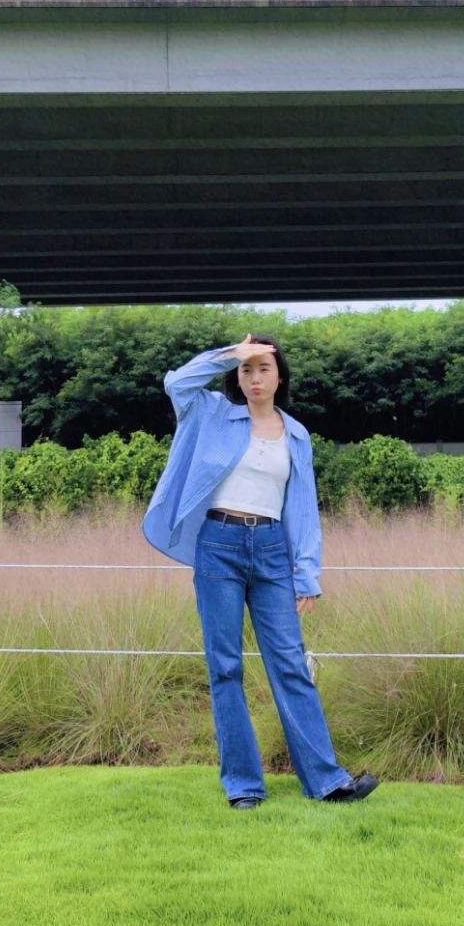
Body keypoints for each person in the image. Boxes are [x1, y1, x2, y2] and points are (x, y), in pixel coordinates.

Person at [143, 333, 378, 810]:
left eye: (263, 369)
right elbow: (176, 383)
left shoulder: (295, 433)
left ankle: (327, 781)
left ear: (280, 377)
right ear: (237, 376)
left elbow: (303, 508)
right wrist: (232, 351)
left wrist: (306, 572)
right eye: (247, 370)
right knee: (225, 667)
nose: (254, 378)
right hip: (219, 545)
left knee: (290, 663)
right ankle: (244, 786)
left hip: (272, 550)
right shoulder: (210, 413)